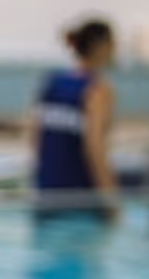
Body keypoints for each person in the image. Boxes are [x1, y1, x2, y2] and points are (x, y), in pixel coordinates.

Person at [32, 18, 119, 218]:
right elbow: (95, 147)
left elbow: (35, 137)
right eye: (113, 43)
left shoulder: (52, 82)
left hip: (46, 194)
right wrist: (112, 202)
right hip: (80, 199)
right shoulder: (98, 90)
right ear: (101, 47)